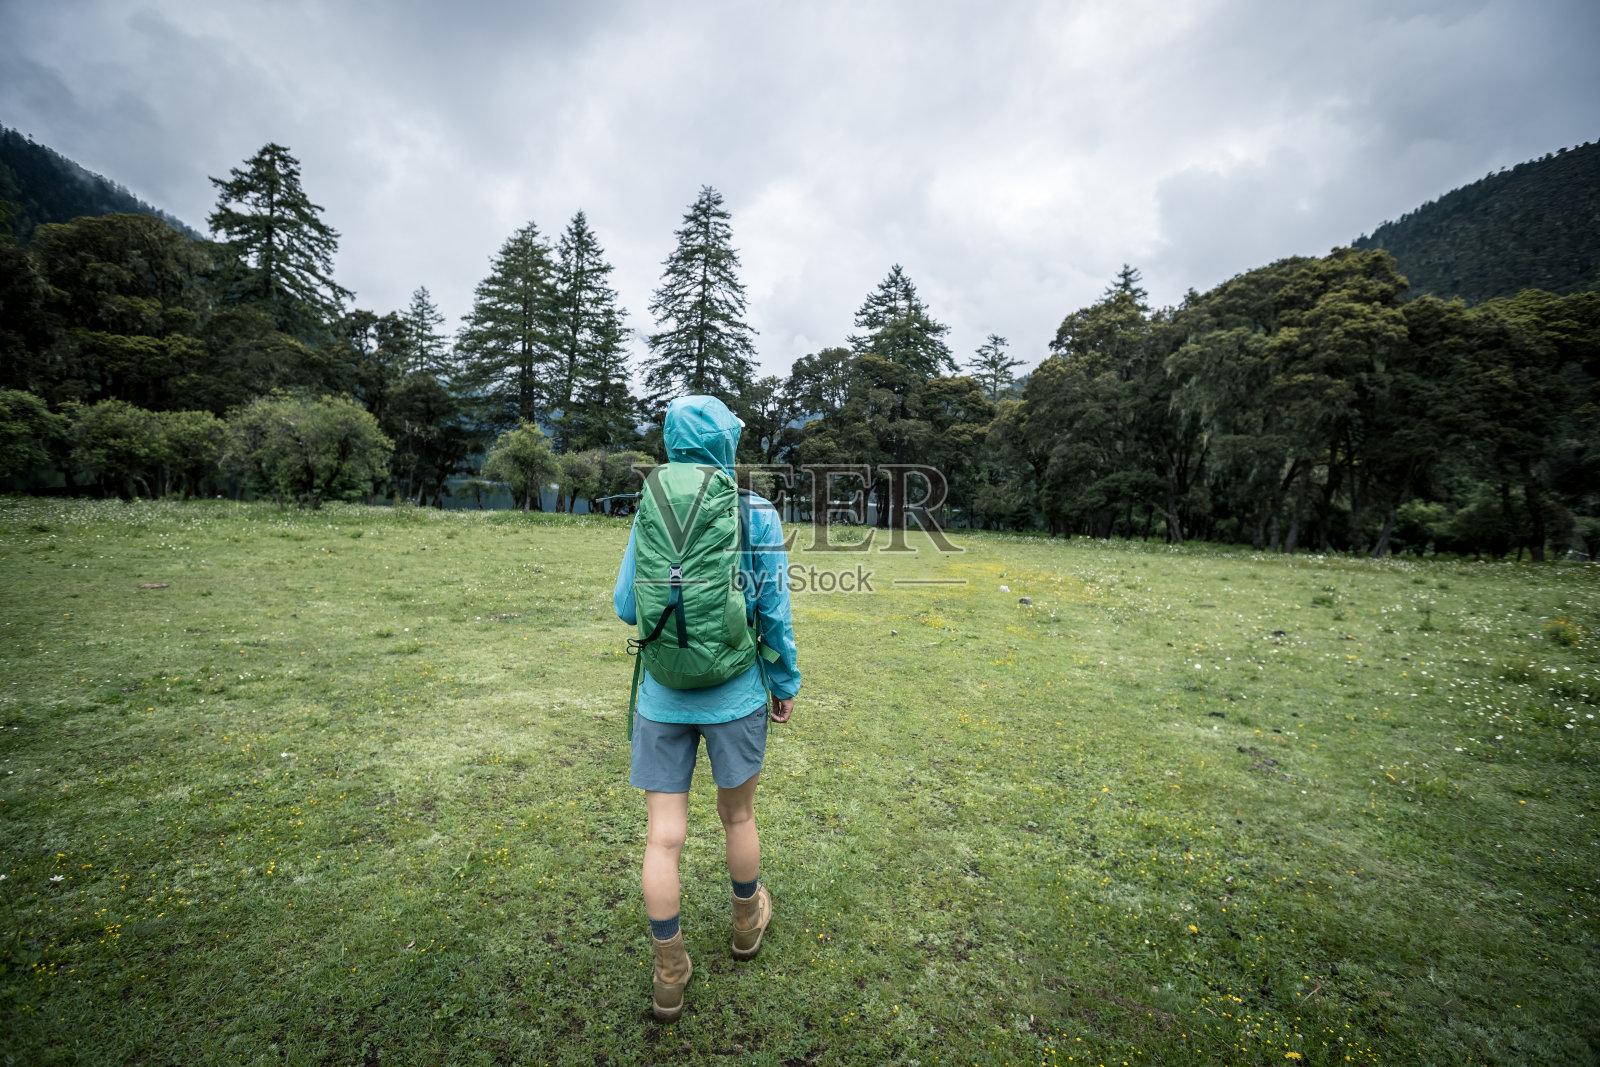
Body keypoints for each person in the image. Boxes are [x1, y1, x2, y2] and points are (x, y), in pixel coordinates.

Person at [612, 395, 801, 1022]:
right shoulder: (757, 515)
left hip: (662, 694)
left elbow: (623, 605)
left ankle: (670, 970)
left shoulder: (653, 507)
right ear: (727, 444)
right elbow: (772, 611)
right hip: (737, 695)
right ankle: (746, 925)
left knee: (663, 838)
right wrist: (784, 682)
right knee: (737, 817)